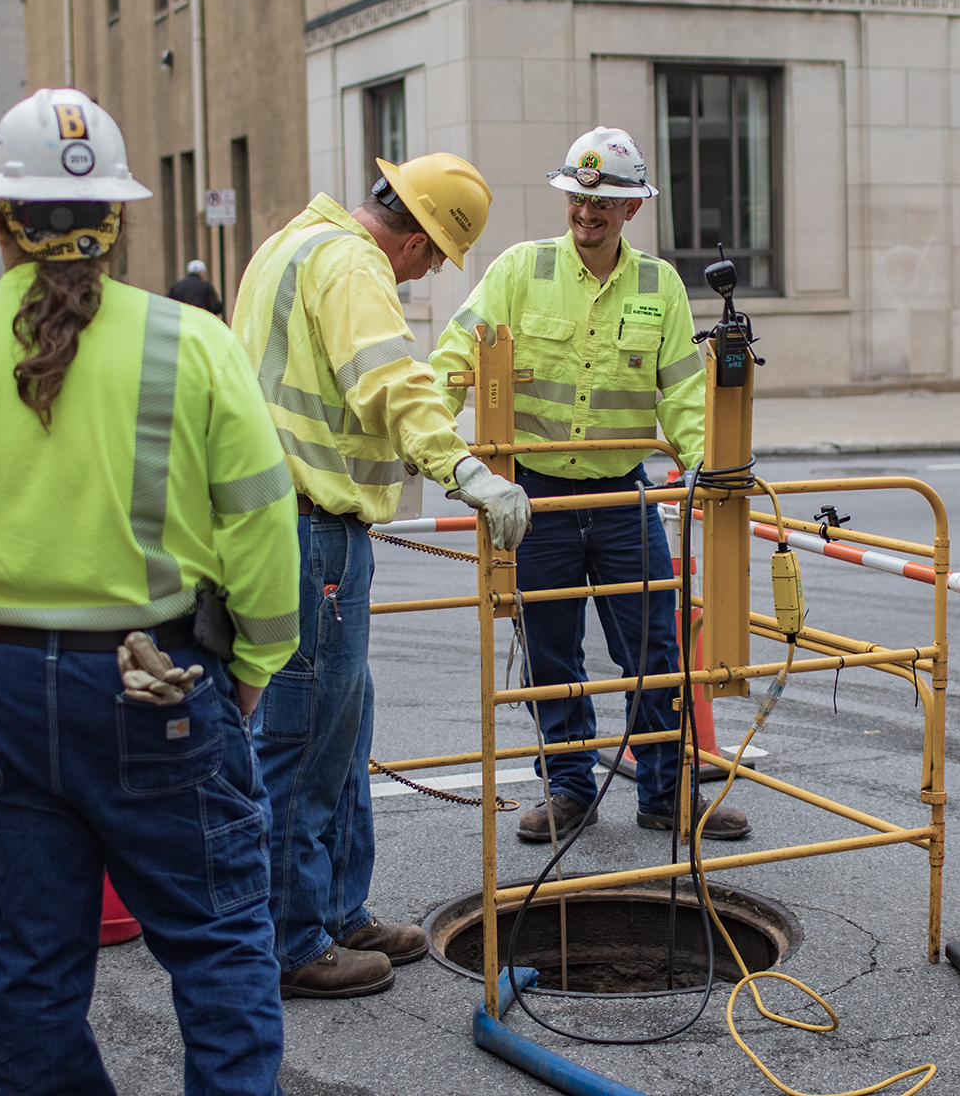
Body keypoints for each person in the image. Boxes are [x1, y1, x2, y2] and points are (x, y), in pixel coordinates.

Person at [0, 90, 300, 1096]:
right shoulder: (195, 346)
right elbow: (265, 529)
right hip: (164, 680)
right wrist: (257, 666)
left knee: (31, 971)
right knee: (220, 945)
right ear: (120, 219)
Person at [230, 154, 532, 999]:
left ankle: (336, 910)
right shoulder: (353, 265)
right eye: (435, 257)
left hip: (288, 526)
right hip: (308, 530)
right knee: (303, 735)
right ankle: (296, 941)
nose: (427, 273)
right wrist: (465, 471)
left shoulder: (292, 244)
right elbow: (392, 383)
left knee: (339, 726)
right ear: (420, 240)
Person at [430, 127, 751, 847]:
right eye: (579, 196)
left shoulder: (657, 285)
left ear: (632, 208)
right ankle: (570, 792)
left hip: (621, 501)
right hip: (537, 496)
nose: (588, 210)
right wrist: (431, 441)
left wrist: (708, 463)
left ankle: (667, 795)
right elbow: (454, 359)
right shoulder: (520, 270)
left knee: (654, 654)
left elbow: (682, 394)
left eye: (604, 200)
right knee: (550, 654)